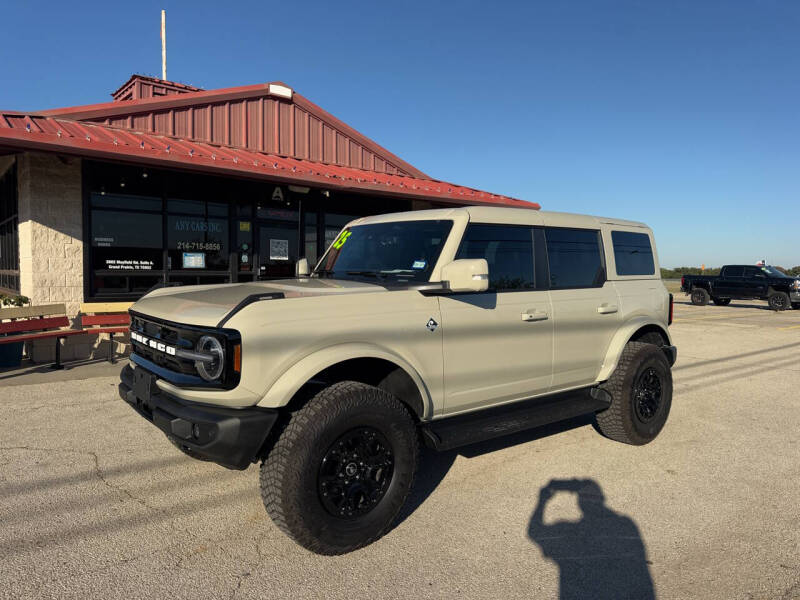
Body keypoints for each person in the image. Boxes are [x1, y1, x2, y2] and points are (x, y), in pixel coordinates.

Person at [528, 479, 655, 600]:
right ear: (601, 499)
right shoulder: (625, 524)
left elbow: (535, 532)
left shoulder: (569, 531)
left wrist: (542, 501)